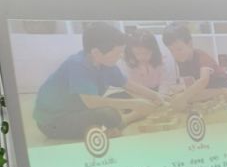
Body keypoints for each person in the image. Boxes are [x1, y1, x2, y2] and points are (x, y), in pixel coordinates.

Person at [33, 22, 162, 140]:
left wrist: (156, 95)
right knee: (108, 114)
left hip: (79, 110)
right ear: (96, 52)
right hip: (53, 122)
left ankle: (109, 127)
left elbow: (127, 84)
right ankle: (122, 121)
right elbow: (92, 102)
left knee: (115, 106)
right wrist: (134, 104)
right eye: (117, 53)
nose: (121, 56)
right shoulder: (77, 65)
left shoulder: (107, 64)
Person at [161, 23, 227, 109]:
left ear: (189, 44)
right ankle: (218, 93)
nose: (176, 54)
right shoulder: (182, 60)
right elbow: (190, 86)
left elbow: (203, 80)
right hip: (208, 89)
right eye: (172, 50)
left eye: (179, 49)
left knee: (186, 96)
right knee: (183, 96)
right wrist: (184, 96)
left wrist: (184, 97)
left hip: (226, 83)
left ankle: (221, 92)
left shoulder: (201, 56)